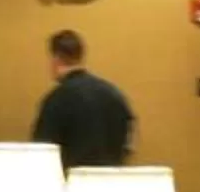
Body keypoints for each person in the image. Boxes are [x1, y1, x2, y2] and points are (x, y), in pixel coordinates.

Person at [31, 28, 134, 168]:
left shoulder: (56, 100)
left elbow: (42, 152)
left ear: (56, 58)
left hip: (73, 184)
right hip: (111, 183)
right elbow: (128, 145)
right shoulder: (114, 94)